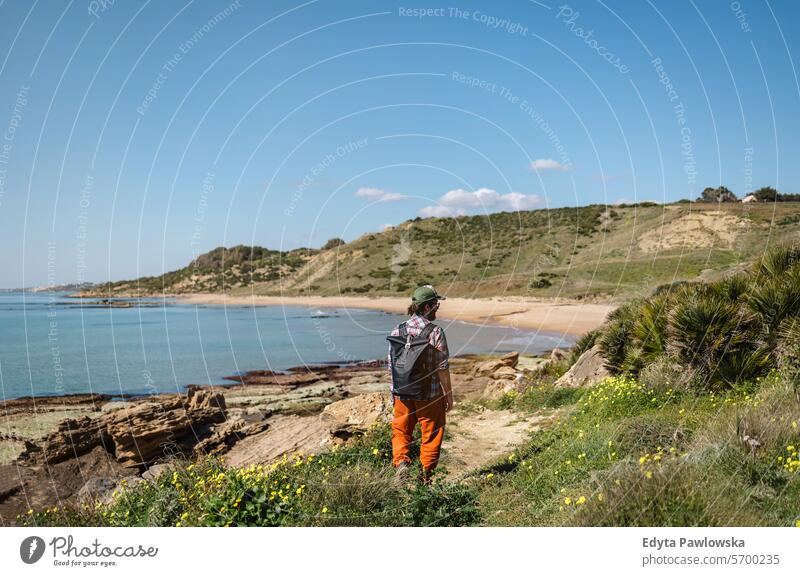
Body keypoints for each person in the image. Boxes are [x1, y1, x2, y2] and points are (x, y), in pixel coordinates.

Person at [387, 285, 453, 485]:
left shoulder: (397, 330)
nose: (437, 309)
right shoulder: (435, 332)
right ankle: (424, 479)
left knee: (400, 431)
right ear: (427, 307)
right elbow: (442, 368)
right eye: (436, 305)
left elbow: (392, 365)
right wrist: (448, 395)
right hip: (429, 395)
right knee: (431, 435)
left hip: (402, 393)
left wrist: (393, 393)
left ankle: (401, 464)